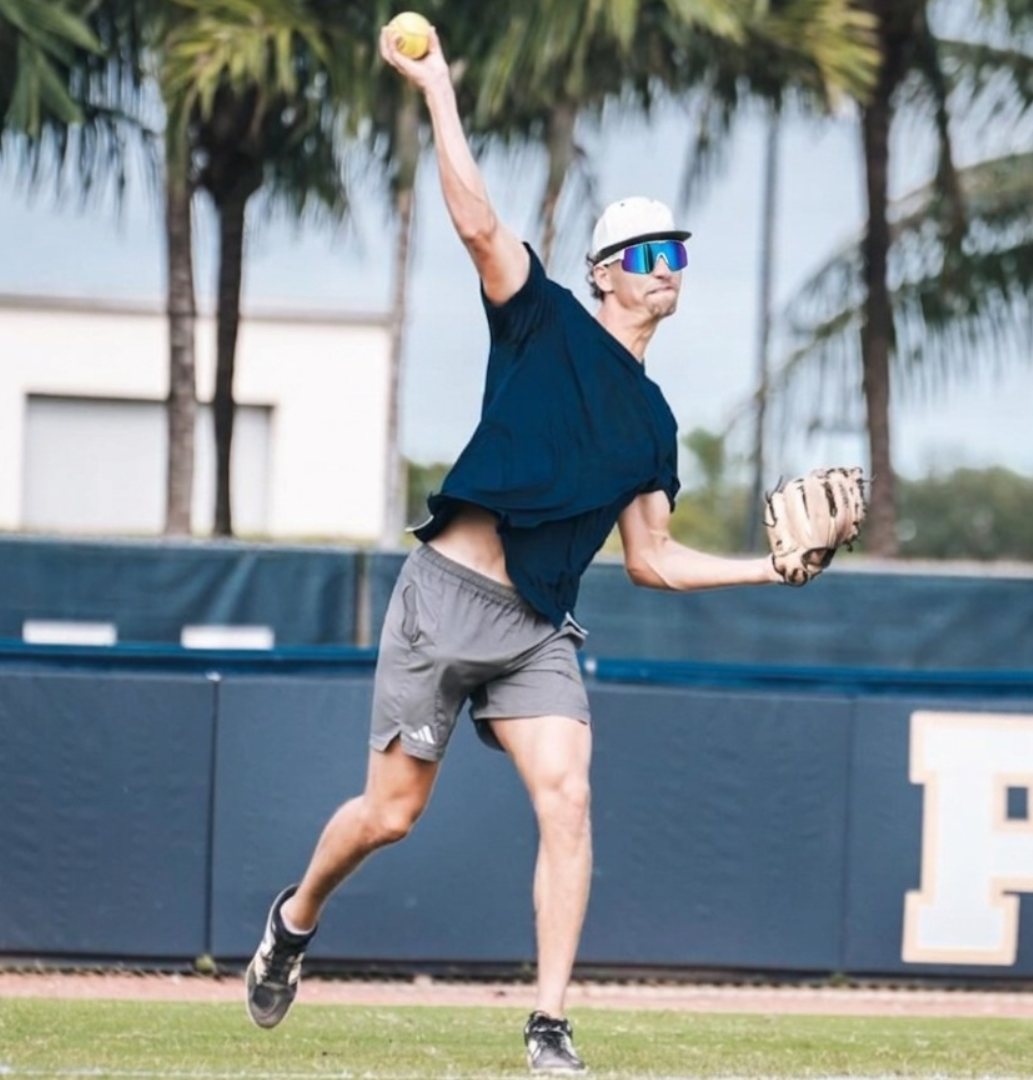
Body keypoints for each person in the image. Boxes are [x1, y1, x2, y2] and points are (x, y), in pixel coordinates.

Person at [244, 20, 783, 1076]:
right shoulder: (542, 322)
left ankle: (547, 1025)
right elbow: (479, 221)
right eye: (652, 256)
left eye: (678, 255)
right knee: (389, 816)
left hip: (536, 628)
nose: (671, 269)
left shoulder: (655, 424)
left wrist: (774, 564)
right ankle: (296, 919)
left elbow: (656, 559)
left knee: (570, 798)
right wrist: (440, 86)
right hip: (445, 597)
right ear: (607, 276)